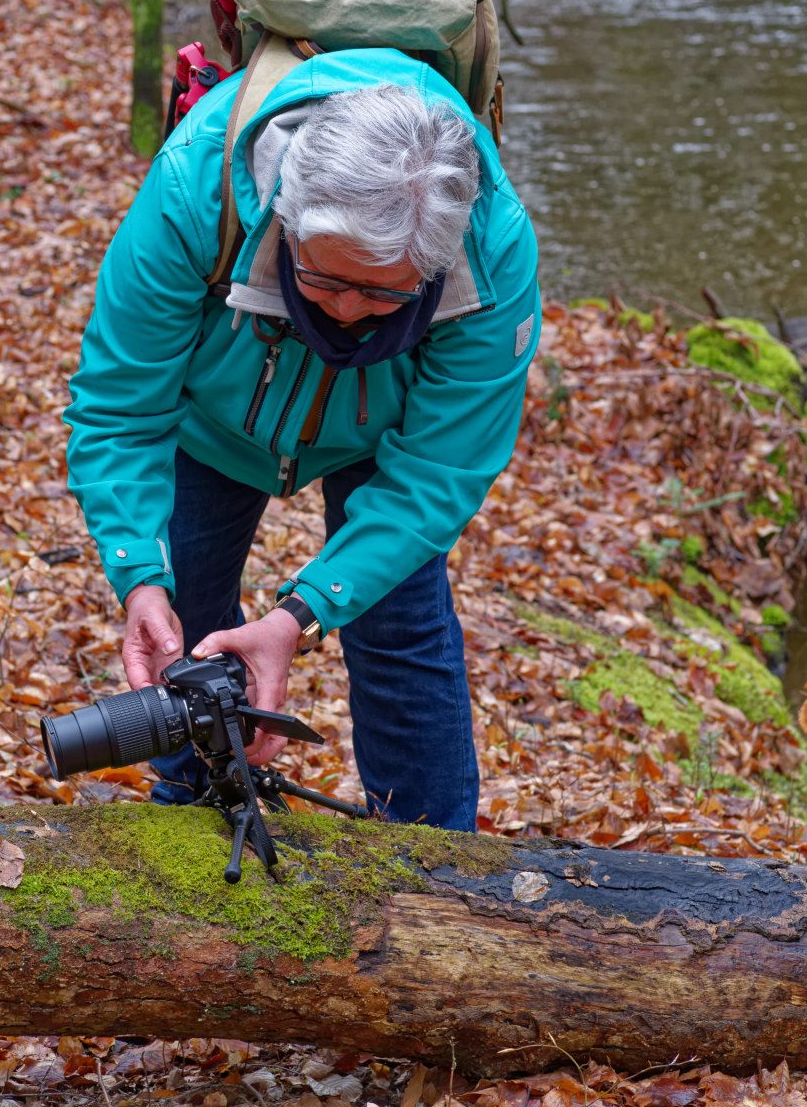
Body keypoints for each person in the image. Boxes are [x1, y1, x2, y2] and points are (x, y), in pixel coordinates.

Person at [64, 49, 540, 832]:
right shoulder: (197, 187)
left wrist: (302, 615)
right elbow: (119, 404)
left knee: (401, 625)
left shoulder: (492, 253)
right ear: (286, 216)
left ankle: (438, 866)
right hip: (212, 421)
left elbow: (440, 472)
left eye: (383, 291)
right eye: (322, 280)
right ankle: (187, 824)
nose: (348, 311)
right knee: (183, 614)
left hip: (375, 431)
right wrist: (137, 573)